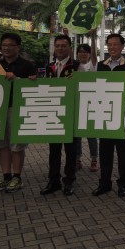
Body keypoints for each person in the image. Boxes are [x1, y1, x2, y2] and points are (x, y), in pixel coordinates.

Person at [0, 33, 37, 193]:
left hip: (18, 108)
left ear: (18, 47)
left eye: (11, 45)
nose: (7, 48)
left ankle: (17, 177)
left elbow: (34, 85)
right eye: (4, 45)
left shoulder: (27, 65)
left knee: (17, 145)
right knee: (2, 144)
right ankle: (6, 176)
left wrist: (19, 79)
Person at [92, 33, 125, 197]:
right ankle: (104, 183)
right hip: (105, 115)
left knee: (124, 153)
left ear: (122, 46)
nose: (111, 47)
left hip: (123, 116)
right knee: (105, 152)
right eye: (109, 44)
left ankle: (124, 183)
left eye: (115, 44)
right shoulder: (101, 65)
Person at [41, 34, 80, 196]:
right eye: (57, 46)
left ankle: (69, 181)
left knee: (71, 151)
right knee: (54, 150)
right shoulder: (49, 66)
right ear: (54, 48)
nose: (60, 49)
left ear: (70, 48)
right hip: (54, 114)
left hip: (71, 114)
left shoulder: (77, 66)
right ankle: (54, 181)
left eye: (64, 46)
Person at [75, 30, 99, 172]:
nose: (83, 54)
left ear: (89, 54)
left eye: (86, 52)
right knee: (77, 135)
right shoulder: (74, 67)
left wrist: (93, 38)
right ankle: (77, 159)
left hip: (90, 105)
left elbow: (95, 56)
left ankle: (94, 160)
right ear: (77, 54)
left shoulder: (93, 66)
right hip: (77, 104)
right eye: (80, 52)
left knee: (91, 135)